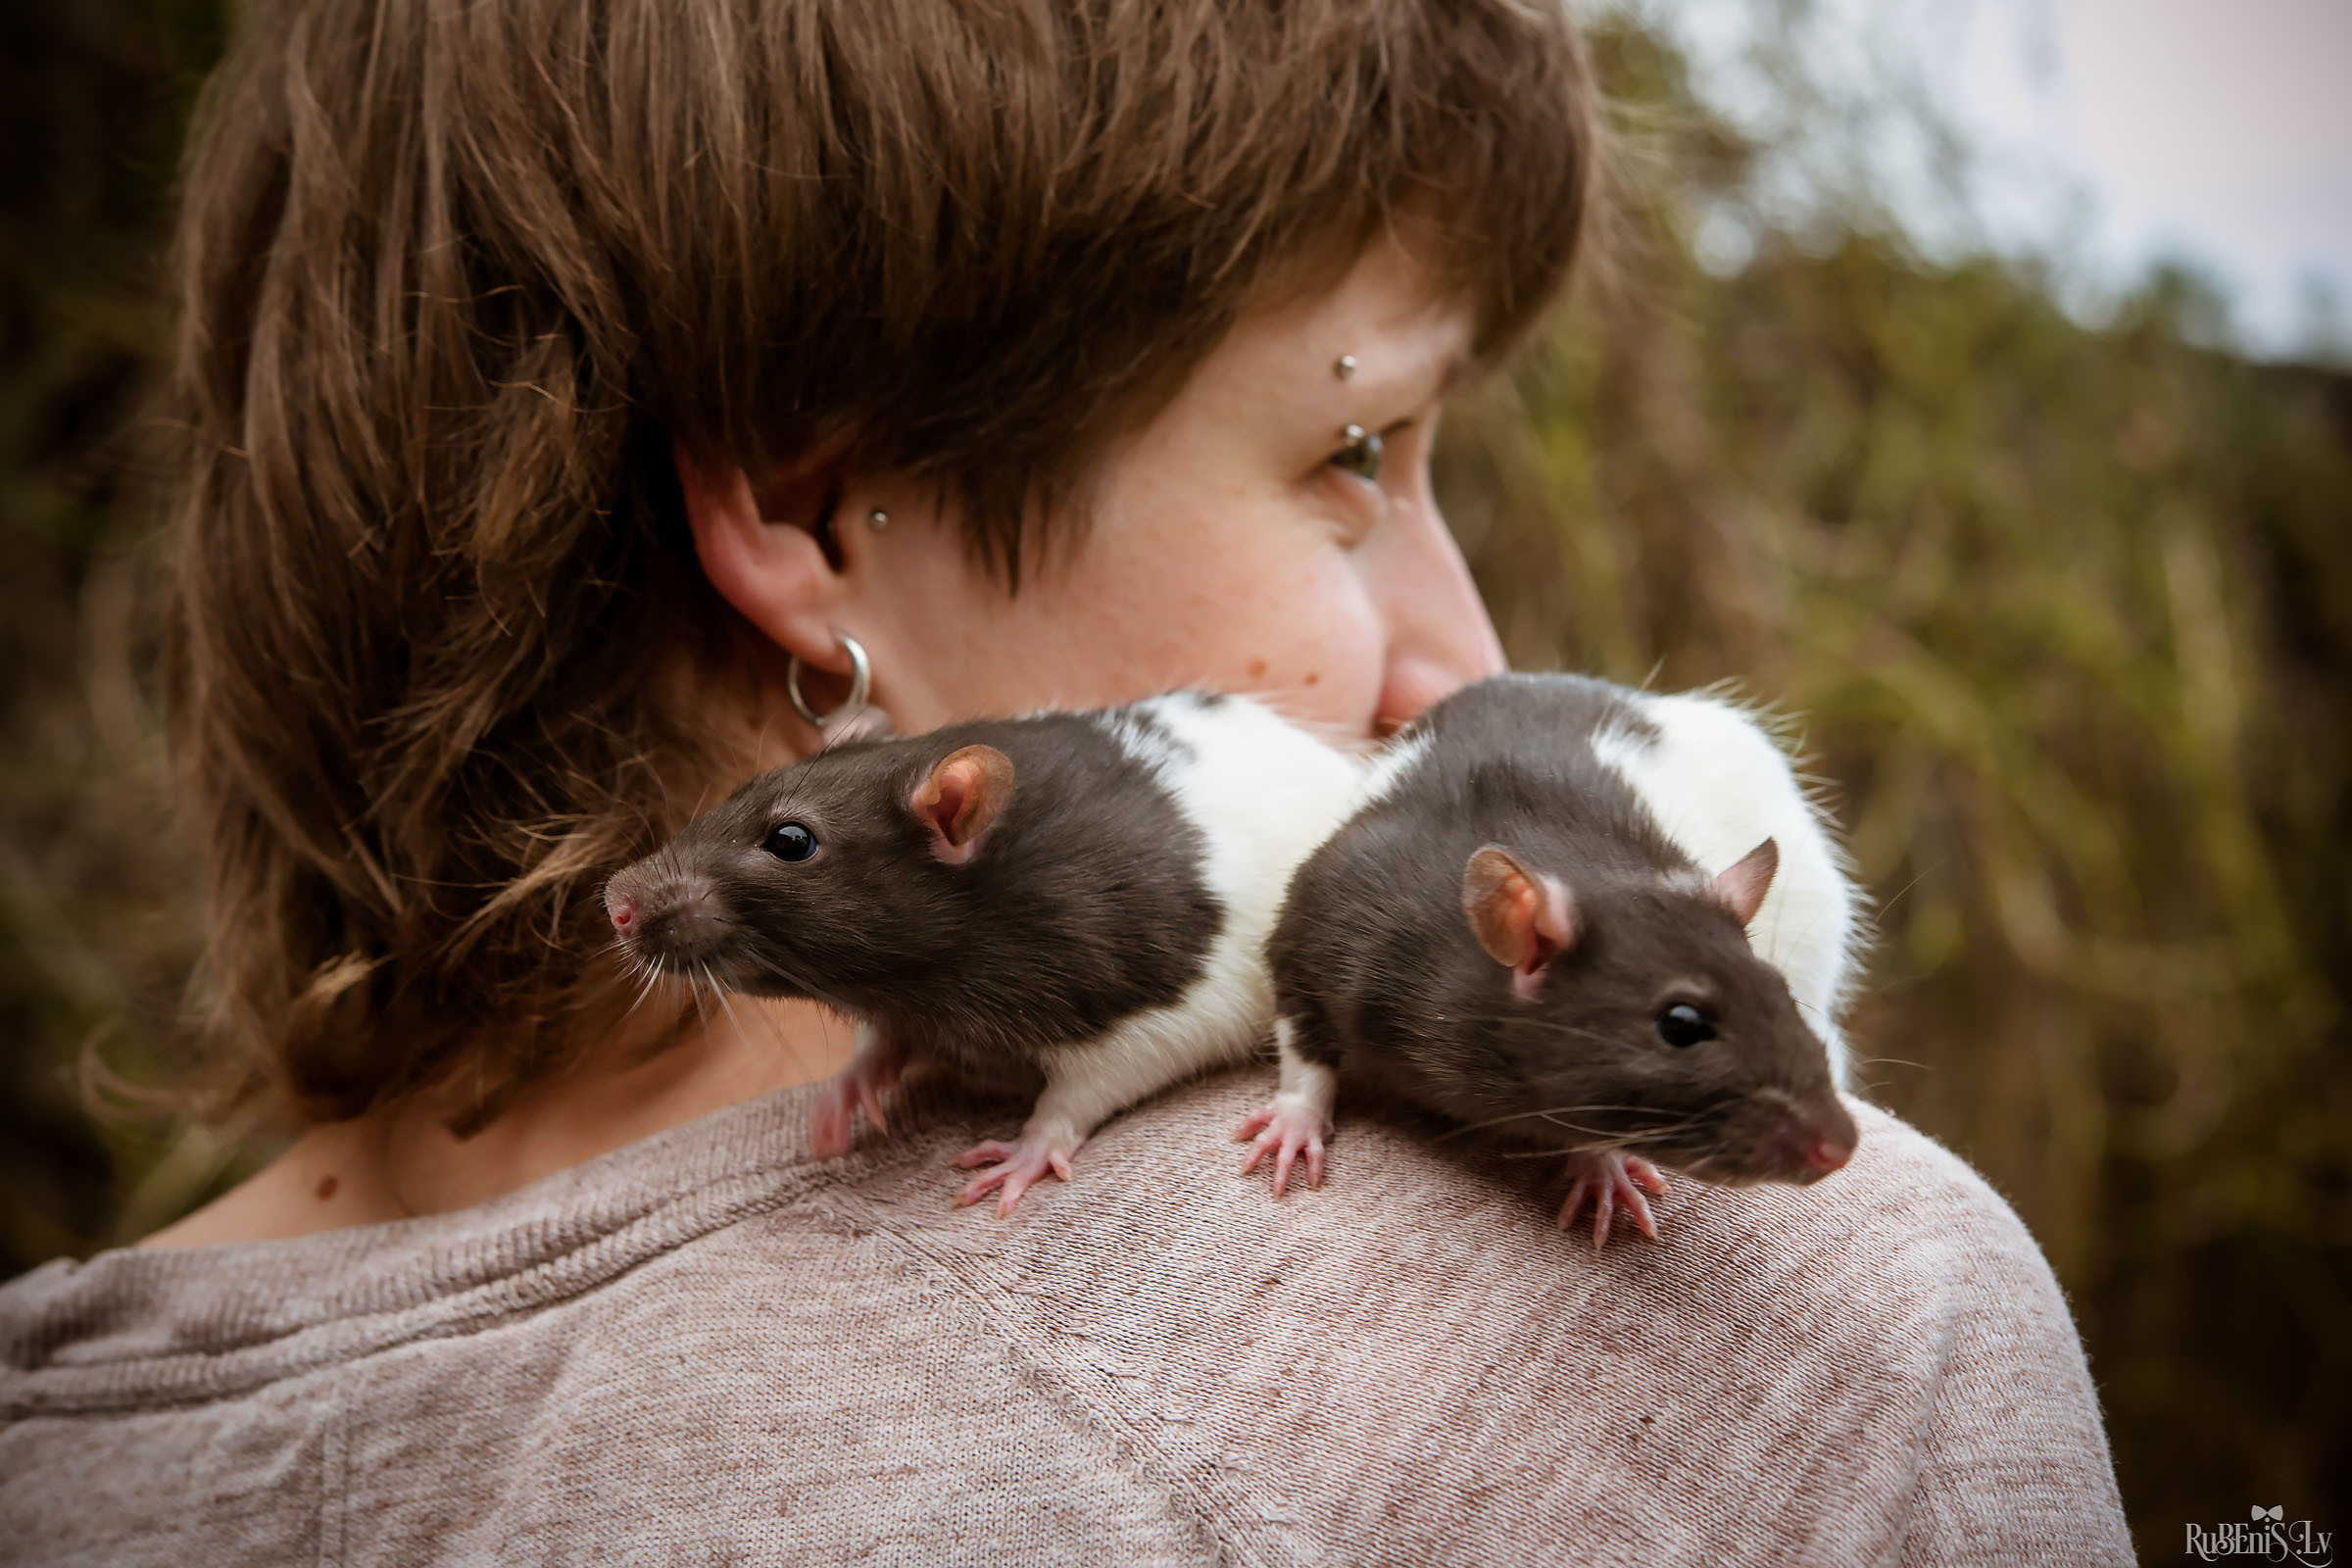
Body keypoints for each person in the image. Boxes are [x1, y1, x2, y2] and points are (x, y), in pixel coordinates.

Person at [0, 0, 2134, 1561]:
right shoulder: (1803, 1343)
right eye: (1357, 453)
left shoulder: (58, 1460)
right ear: (819, 511)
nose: (1465, 657)